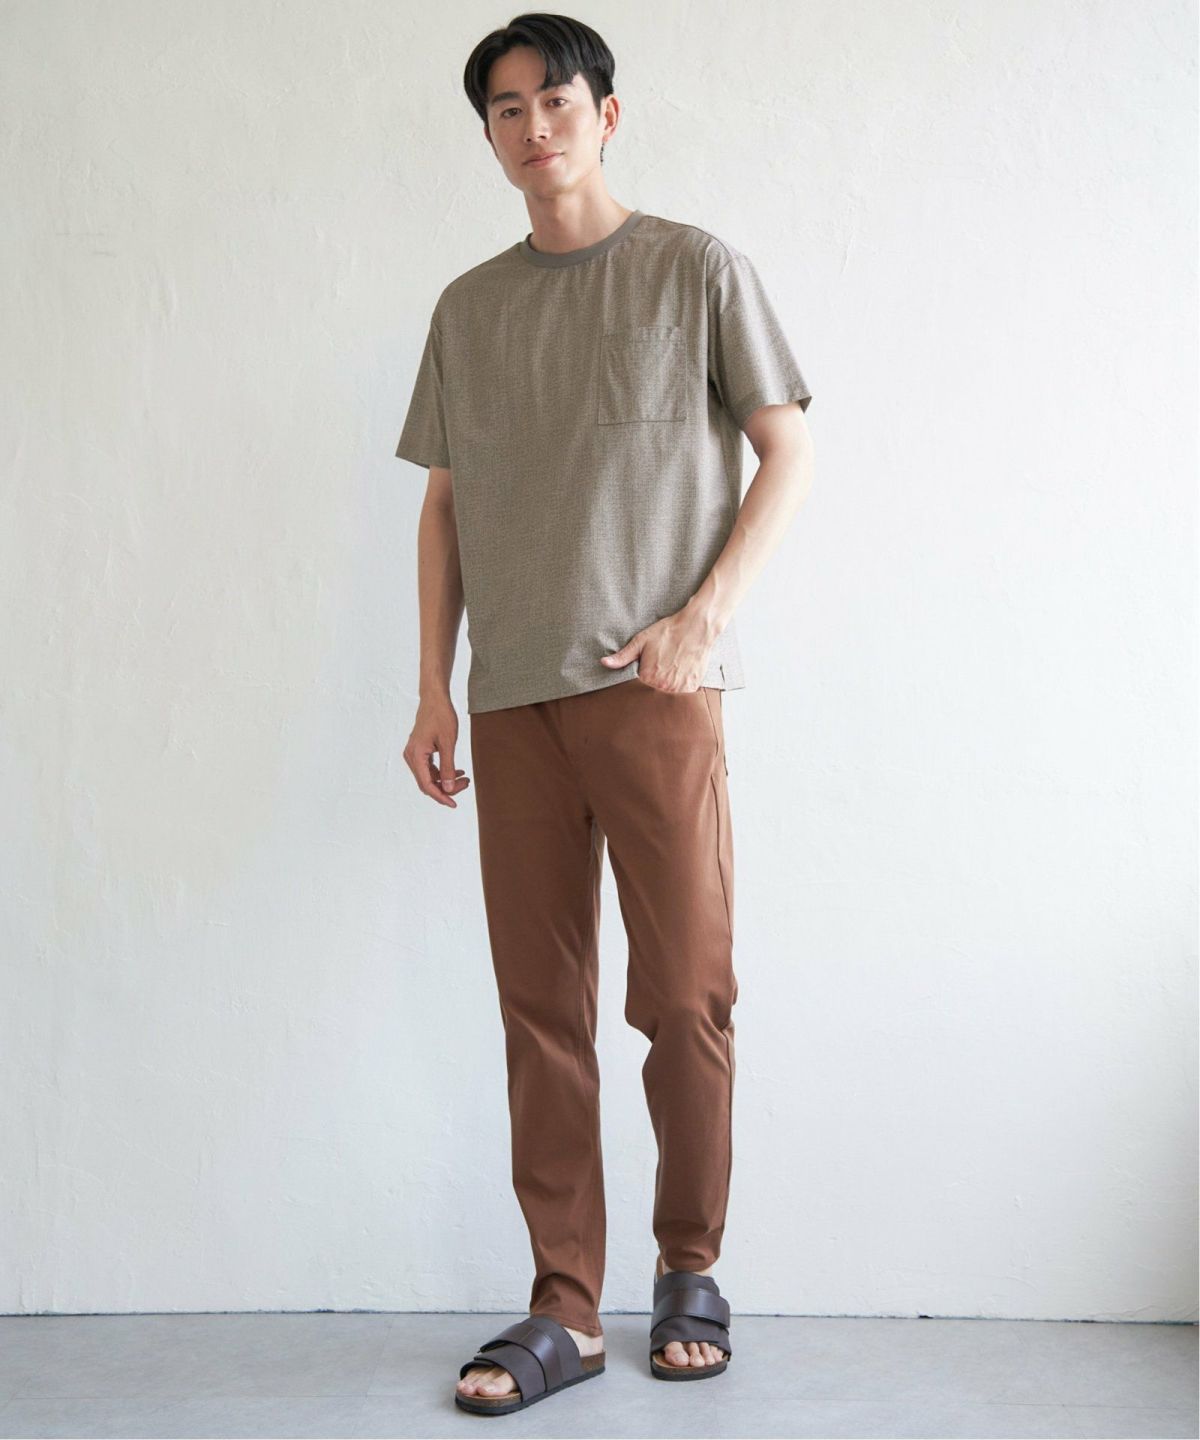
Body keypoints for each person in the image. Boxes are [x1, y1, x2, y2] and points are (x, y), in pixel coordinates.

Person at [395, 10, 815, 1418]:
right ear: (491, 135)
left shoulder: (696, 269)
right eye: (506, 110)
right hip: (512, 700)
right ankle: (564, 1306)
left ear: (606, 114)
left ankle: (691, 1268)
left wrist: (703, 621)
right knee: (541, 1009)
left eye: (555, 101)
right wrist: (432, 685)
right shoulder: (468, 308)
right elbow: (444, 506)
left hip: (655, 692)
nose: (534, 128)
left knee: (686, 995)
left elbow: (788, 449)